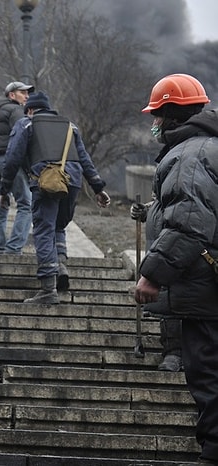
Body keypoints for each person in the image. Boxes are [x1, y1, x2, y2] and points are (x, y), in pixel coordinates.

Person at [132, 73, 218, 464]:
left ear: (170, 115)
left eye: (157, 115)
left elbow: (188, 222)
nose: (153, 124)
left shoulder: (189, 154)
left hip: (204, 291)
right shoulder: (209, 148)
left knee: (207, 373)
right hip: (207, 286)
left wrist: (153, 273)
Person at [0, 91, 110, 303]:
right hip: (73, 182)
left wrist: (4, 189)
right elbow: (84, 158)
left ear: (30, 110)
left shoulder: (27, 124)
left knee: (44, 228)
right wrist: (98, 187)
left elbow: (13, 158)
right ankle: (61, 266)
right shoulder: (71, 126)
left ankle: (48, 288)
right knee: (58, 226)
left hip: (46, 181)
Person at [130, 198, 183, 373]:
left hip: (180, 254)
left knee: (176, 299)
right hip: (162, 257)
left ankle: (176, 352)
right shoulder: (168, 182)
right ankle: (172, 351)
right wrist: (146, 211)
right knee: (166, 302)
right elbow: (163, 203)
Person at [0, 81, 34, 255]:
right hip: (9, 160)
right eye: (23, 93)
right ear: (12, 95)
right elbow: (22, 137)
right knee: (26, 205)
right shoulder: (16, 110)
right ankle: (13, 249)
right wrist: (29, 166)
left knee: (0, 207)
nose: (27, 97)